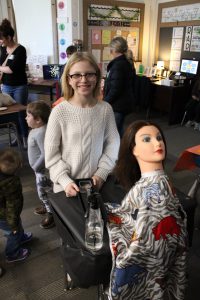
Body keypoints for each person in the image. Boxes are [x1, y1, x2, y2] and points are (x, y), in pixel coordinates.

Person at [106, 120, 187, 300]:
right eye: (147, 139)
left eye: (159, 138)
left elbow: (148, 242)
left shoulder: (159, 188)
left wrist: (126, 260)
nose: (157, 143)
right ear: (133, 149)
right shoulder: (152, 186)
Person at [45, 51, 120, 197]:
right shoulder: (59, 112)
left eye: (89, 74)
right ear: (68, 79)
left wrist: (101, 173)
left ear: (97, 77)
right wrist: (65, 181)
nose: (83, 80)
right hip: (66, 188)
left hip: (98, 185)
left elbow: (113, 145)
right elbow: (51, 156)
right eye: (77, 75)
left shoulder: (105, 109)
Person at [26, 101, 55, 229]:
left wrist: (36, 167)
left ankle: (52, 214)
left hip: (42, 171)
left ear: (38, 119)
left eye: (28, 116)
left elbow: (45, 154)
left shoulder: (41, 132)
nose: (25, 118)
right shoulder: (37, 129)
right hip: (38, 170)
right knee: (43, 191)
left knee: (43, 192)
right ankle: (47, 206)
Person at [0, 148, 32, 263]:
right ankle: (13, 253)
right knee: (13, 232)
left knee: (17, 225)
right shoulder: (11, 183)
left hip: (4, 214)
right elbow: (12, 207)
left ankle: (20, 236)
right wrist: (13, 225)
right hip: (5, 216)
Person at [0, 19, 28, 148]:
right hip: (6, 85)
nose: (0, 42)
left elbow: (11, 69)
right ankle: (17, 137)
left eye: (2, 39)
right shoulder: (3, 50)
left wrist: (1, 68)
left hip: (19, 87)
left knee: (21, 113)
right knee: (10, 115)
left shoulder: (20, 50)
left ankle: (25, 139)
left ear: (9, 37)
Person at [104, 37, 135, 137]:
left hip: (118, 105)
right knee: (118, 129)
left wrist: (105, 102)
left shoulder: (118, 65)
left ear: (114, 49)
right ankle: (123, 149)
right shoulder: (125, 62)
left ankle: (120, 151)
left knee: (115, 133)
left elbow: (116, 89)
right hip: (122, 104)